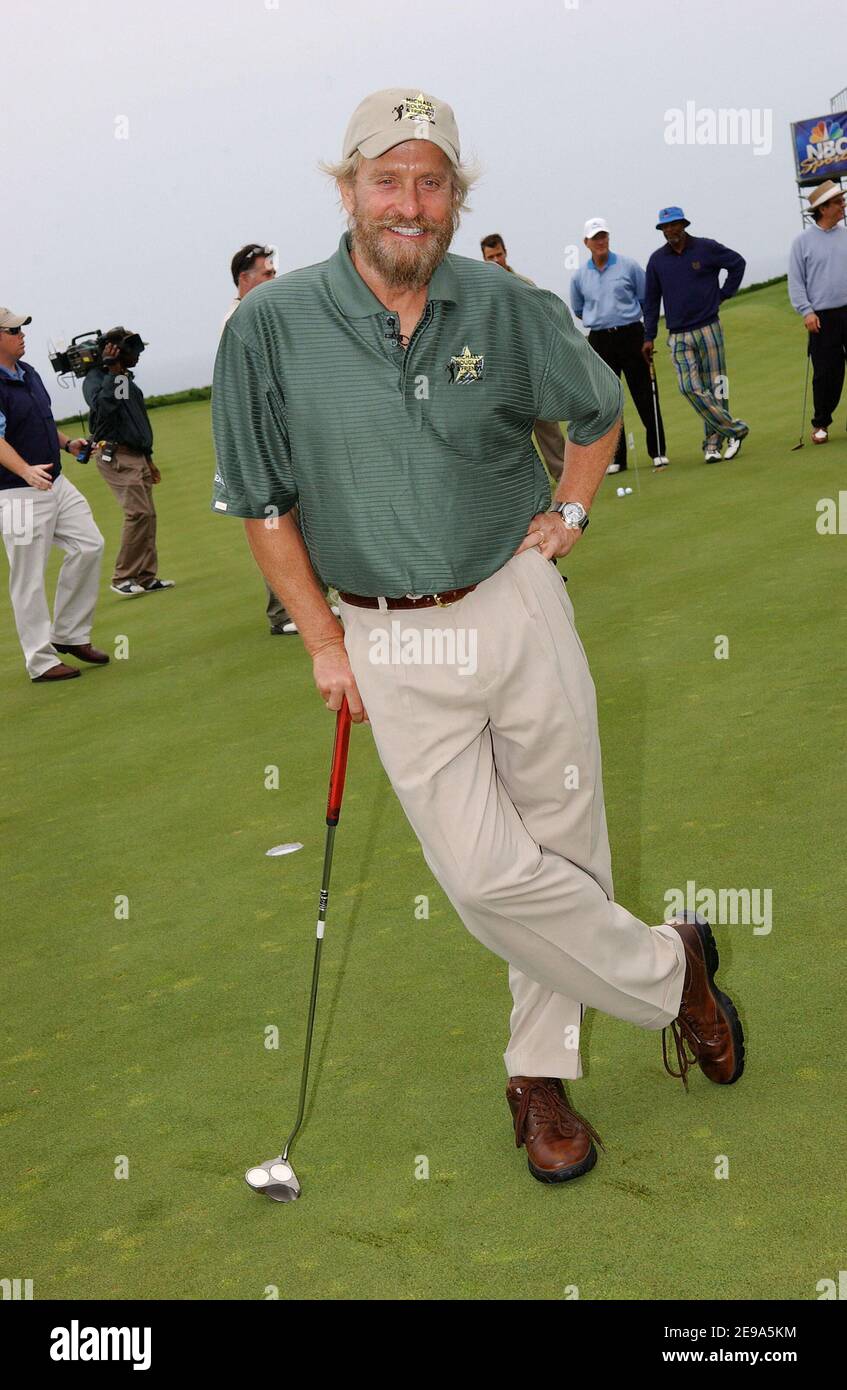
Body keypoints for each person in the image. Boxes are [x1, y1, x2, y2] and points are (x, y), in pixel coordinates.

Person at [212, 88, 744, 1186]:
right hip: (385, 633)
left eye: (432, 181)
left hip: (513, 594)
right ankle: (672, 969)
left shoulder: (505, 305)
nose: (410, 203)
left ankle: (537, 1075)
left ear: (455, 195)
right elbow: (263, 505)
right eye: (387, 179)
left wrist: (575, 510)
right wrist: (321, 642)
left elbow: (595, 413)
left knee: (564, 845)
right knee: (486, 875)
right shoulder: (270, 324)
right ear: (347, 187)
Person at [0, 307, 108, 682]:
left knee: (90, 544)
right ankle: (40, 661)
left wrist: (68, 444)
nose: (22, 334)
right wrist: (25, 470)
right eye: (14, 330)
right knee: (27, 579)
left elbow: (42, 420)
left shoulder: (27, 372)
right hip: (18, 492)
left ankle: (69, 634)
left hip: (56, 482)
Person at [223, 244, 294, 632]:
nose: (273, 279)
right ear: (244, 279)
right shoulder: (238, 321)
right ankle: (283, 614)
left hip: (284, 437)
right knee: (275, 524)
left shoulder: (264, 315)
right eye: (267, 274)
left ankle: (306, 603)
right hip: (261, 444)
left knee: (298, 524)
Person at [643, 206, 748, 463]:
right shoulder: (657, 260)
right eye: (665, 227)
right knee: (689, 387)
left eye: (673, 225)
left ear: (683, 225)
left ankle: (712, 445)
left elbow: (737, 264)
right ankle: (735, 430)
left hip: (708, 326)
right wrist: (648, 336)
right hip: (678, 334)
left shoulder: (706, 247)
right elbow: (652, 300)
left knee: (717, 387)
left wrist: (724, 294)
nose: (669, 230)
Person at [571, 217, 668, 472]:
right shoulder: (580, 276)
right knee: (609, 401)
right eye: (595, 238)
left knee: (644, 394)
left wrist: (648, 336)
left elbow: (646, 300)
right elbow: (579, 309)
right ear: (586, 243)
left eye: (604, 236)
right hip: (600, 339)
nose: (601, 241)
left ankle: (657, 451)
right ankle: (617, 458)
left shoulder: (628, 266)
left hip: (631, 334)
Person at [83, 328, 174, 596]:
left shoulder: (122, 379)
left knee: (148, 514)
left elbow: (132, 419)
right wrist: (112, 373)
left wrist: (148, 457)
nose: (139, 356)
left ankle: (145, 576)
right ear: (117, 351)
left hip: (136, 455)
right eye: (135, 351)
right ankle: (122, 577)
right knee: (138, 514)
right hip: (116, 455)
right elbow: (104, 413)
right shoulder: (96, 379)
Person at [480, 233, 567, 481]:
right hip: (500, 372)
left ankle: (563, 478)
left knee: (547, 426)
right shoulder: (479, 291)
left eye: (499, 254)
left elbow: (542, 325)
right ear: (484, 259)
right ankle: (519, 485)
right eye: (490, 257)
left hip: (531, 368)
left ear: (506, 252)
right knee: (509, 431)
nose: (496, 260)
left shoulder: (524, 284)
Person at [788, 180, 847, 445]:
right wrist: (807, 312)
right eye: (838, 202)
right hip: (822, 317)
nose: (843, 205)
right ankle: (821, 423)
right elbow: (796, 283)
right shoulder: (802, 242)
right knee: (826, 373)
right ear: (823, 209)